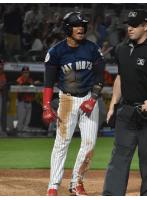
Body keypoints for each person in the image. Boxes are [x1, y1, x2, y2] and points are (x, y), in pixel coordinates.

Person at [102, 9, 147, 196]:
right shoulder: (121, 48)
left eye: (134, 24)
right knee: (119, 158)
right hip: (126, 112)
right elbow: (120, 78)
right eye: (128, 24)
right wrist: (113, 105)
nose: (130, 28)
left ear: (146, 26)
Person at [43, 11, 105, 196]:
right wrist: (46, 106)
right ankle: (53, 185)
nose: (81, 28)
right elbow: (48, 82)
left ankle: (76, 183)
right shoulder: (56, 52)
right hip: (67, 100)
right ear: (67, 28)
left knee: (89, 144)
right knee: (62, 143)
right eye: (77, 25)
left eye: (83, 25)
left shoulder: (93, 49)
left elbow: (100, 76)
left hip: (88, 98)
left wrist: (93, 99)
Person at [16, 66, 35, 135]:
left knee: (27, 119)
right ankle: (18, 133)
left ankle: (24, 133)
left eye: (27, 72)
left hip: (29, 101)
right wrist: (31, 84)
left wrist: (33, 84)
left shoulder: (30, 80)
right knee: (21, 119)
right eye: (24, 72)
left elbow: (33, 90)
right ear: (22, 73)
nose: (26, 74)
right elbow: (21, 86)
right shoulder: (19, 79)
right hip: (21, 102)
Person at [0, 60, 7, 136]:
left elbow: (3, 85)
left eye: (2, 65)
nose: (1, 66)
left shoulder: (3, 75)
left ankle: (1, 131)